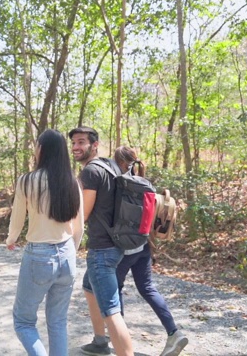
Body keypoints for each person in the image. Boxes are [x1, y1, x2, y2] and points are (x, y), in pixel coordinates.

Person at [7, 129, 84, 356]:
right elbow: (79, 226)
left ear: (42, 149)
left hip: (39, 256)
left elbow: (17, 218)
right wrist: (70, 251)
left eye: (37, 145)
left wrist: (11, 239)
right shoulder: (72, 182)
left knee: (23, 321)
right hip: (68, 254)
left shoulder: (27, 181)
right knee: (58, 322)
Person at [114, 146, 188, 356]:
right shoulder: (147, 185)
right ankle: (174, 332)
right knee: (147, 288)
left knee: (115, 289)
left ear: (118, 162)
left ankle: (120, 339)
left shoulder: (122, 185)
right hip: (144, 247)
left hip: (126, 249)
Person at [68, 126, 134, 356]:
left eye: (81, 142)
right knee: (89, 287)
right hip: (115, 244)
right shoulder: (110, 165)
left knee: (111, 311)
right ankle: (99, 342)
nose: (76, 147)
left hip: (102, 249)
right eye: (74, 143)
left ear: (94, 145)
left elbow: (82, 215)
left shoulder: (90, 172)